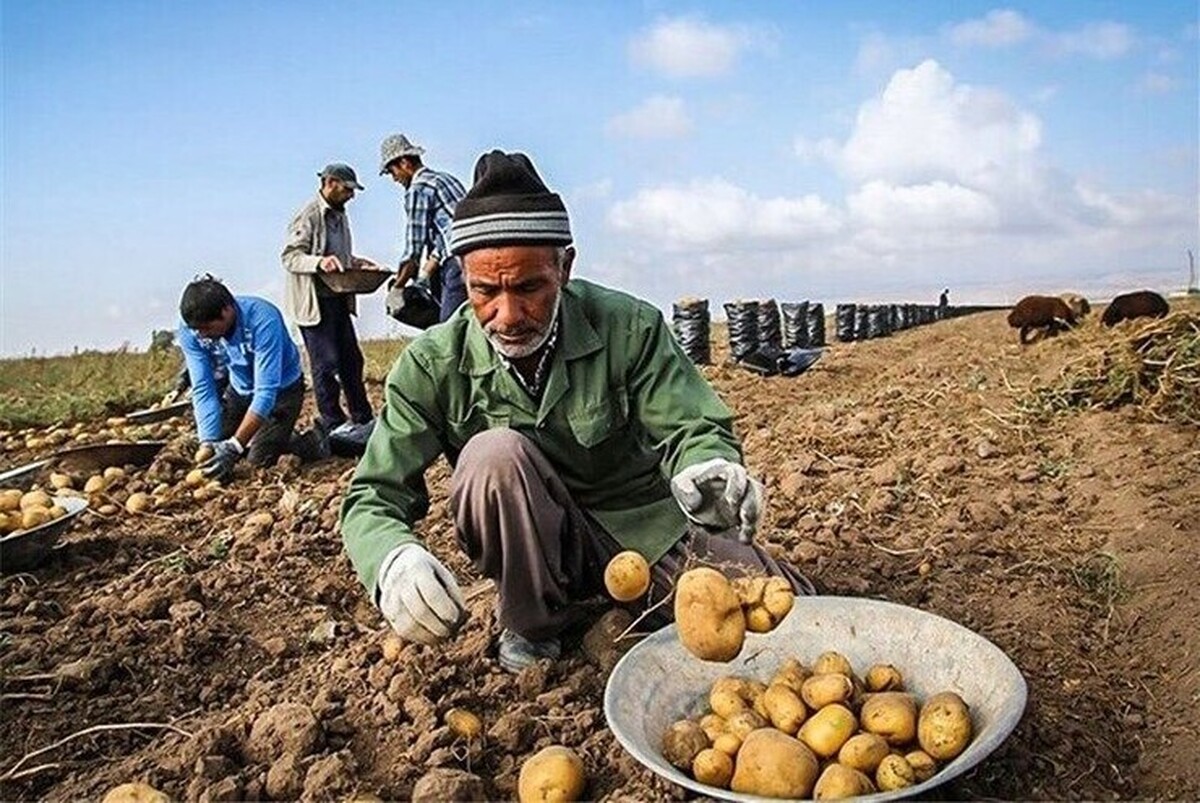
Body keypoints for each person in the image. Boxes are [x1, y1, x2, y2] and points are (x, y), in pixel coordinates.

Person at [340, 150, 811, 672]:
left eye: (528, 287)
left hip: (639, 530)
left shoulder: (628, 326)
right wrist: (391, 560)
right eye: (484, 291)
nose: (508, 314)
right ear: (462, 278)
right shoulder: (431, 365)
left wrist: (707, 466)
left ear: (564, 267)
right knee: (493, 455)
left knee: (784, 617)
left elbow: (693, 425)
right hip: (532, 549)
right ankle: (534, 622)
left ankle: (622, 605)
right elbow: (374, 494)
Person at [177, 276, 325, 481]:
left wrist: (235, 445)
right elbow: (203, 388)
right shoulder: (191, 330)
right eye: (197, 330)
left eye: (207, 329)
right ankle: (270, 434)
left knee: (258, 461)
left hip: (282, 391)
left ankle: (310, 443)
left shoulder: (263, 319)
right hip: (240, 390)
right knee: (215, 447)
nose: (202, 335)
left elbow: (266, 393)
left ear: (227, 311)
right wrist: (208, 442)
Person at [281, 163, 377, 444]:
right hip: (314, 303)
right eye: (347, 189)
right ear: (330, 183)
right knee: (325, 364)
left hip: (337, 298)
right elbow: (290, 257)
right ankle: (333, 424)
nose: (351, 196)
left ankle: (363, 418)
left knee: (351, 360)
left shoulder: (339, 216)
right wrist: (319, 263)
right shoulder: (308, 215)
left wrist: (355, 263)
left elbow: (338, 258)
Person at [378, 134, 467, 322]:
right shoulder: (446, 179)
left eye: (392, 171)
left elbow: (413, 250)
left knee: (450, 330)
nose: (394, 179)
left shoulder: (418, 189)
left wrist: (397, 288)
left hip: (457, 265)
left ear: (404, 163)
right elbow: (447, 237)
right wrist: (424, 276)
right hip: (476, 257)